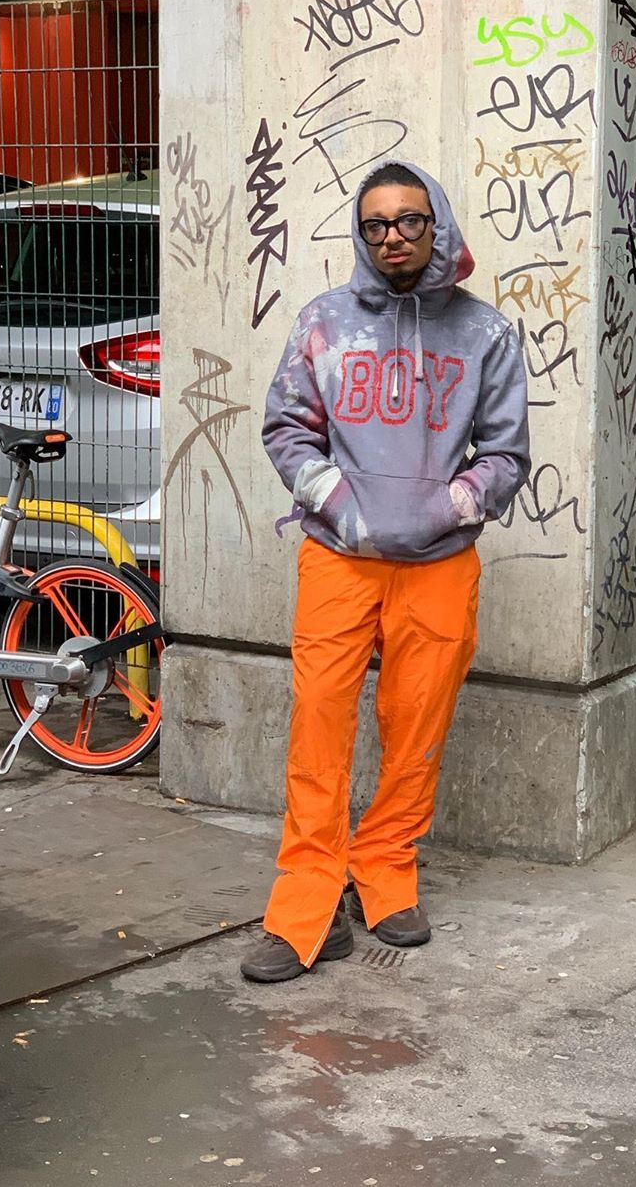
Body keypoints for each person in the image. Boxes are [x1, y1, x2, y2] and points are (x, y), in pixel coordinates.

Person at [241, 160, 531, 983]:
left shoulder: (486, 334)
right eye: (376, 224)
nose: (393, 236)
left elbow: (507, 454)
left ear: (436, 224)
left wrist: (445, 509)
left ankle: (386, 873)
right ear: (360, 233)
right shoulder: (324, 323)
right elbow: (287, 429)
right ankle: (305, 906)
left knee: (417, 729)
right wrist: (343, 505)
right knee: (319, 729)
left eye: (408, 220)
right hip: (338, 557)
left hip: (440, 566)